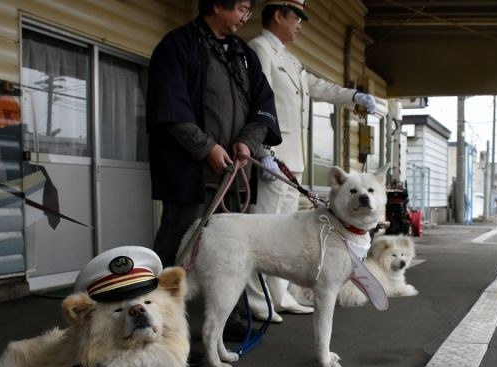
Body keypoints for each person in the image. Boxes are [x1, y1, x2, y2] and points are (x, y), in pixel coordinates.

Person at [146, 0, 282, 340]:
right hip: (191, 174)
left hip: (233, 176)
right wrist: (207, 148)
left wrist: (247, 143)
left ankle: (230, 317)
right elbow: (171, 110)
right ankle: (153, 318)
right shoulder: (178, 45)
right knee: (176, 247)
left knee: (233, 253)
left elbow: (263, 108)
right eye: (242, 9)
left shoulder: (244, 54)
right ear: (218, 5)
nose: (244, 18)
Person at [245, 0, 377, 322]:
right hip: (273, 158)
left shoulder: (290, 60)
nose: (300, 25)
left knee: (284, 237)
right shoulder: (259, 48)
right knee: (261, 233)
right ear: (278, 15)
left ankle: (279, 296)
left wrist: (354, 97)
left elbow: (320, 88)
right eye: (297, 18)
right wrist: (262, 152)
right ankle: (258, 304)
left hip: (292, 161)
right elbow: (254, 102)